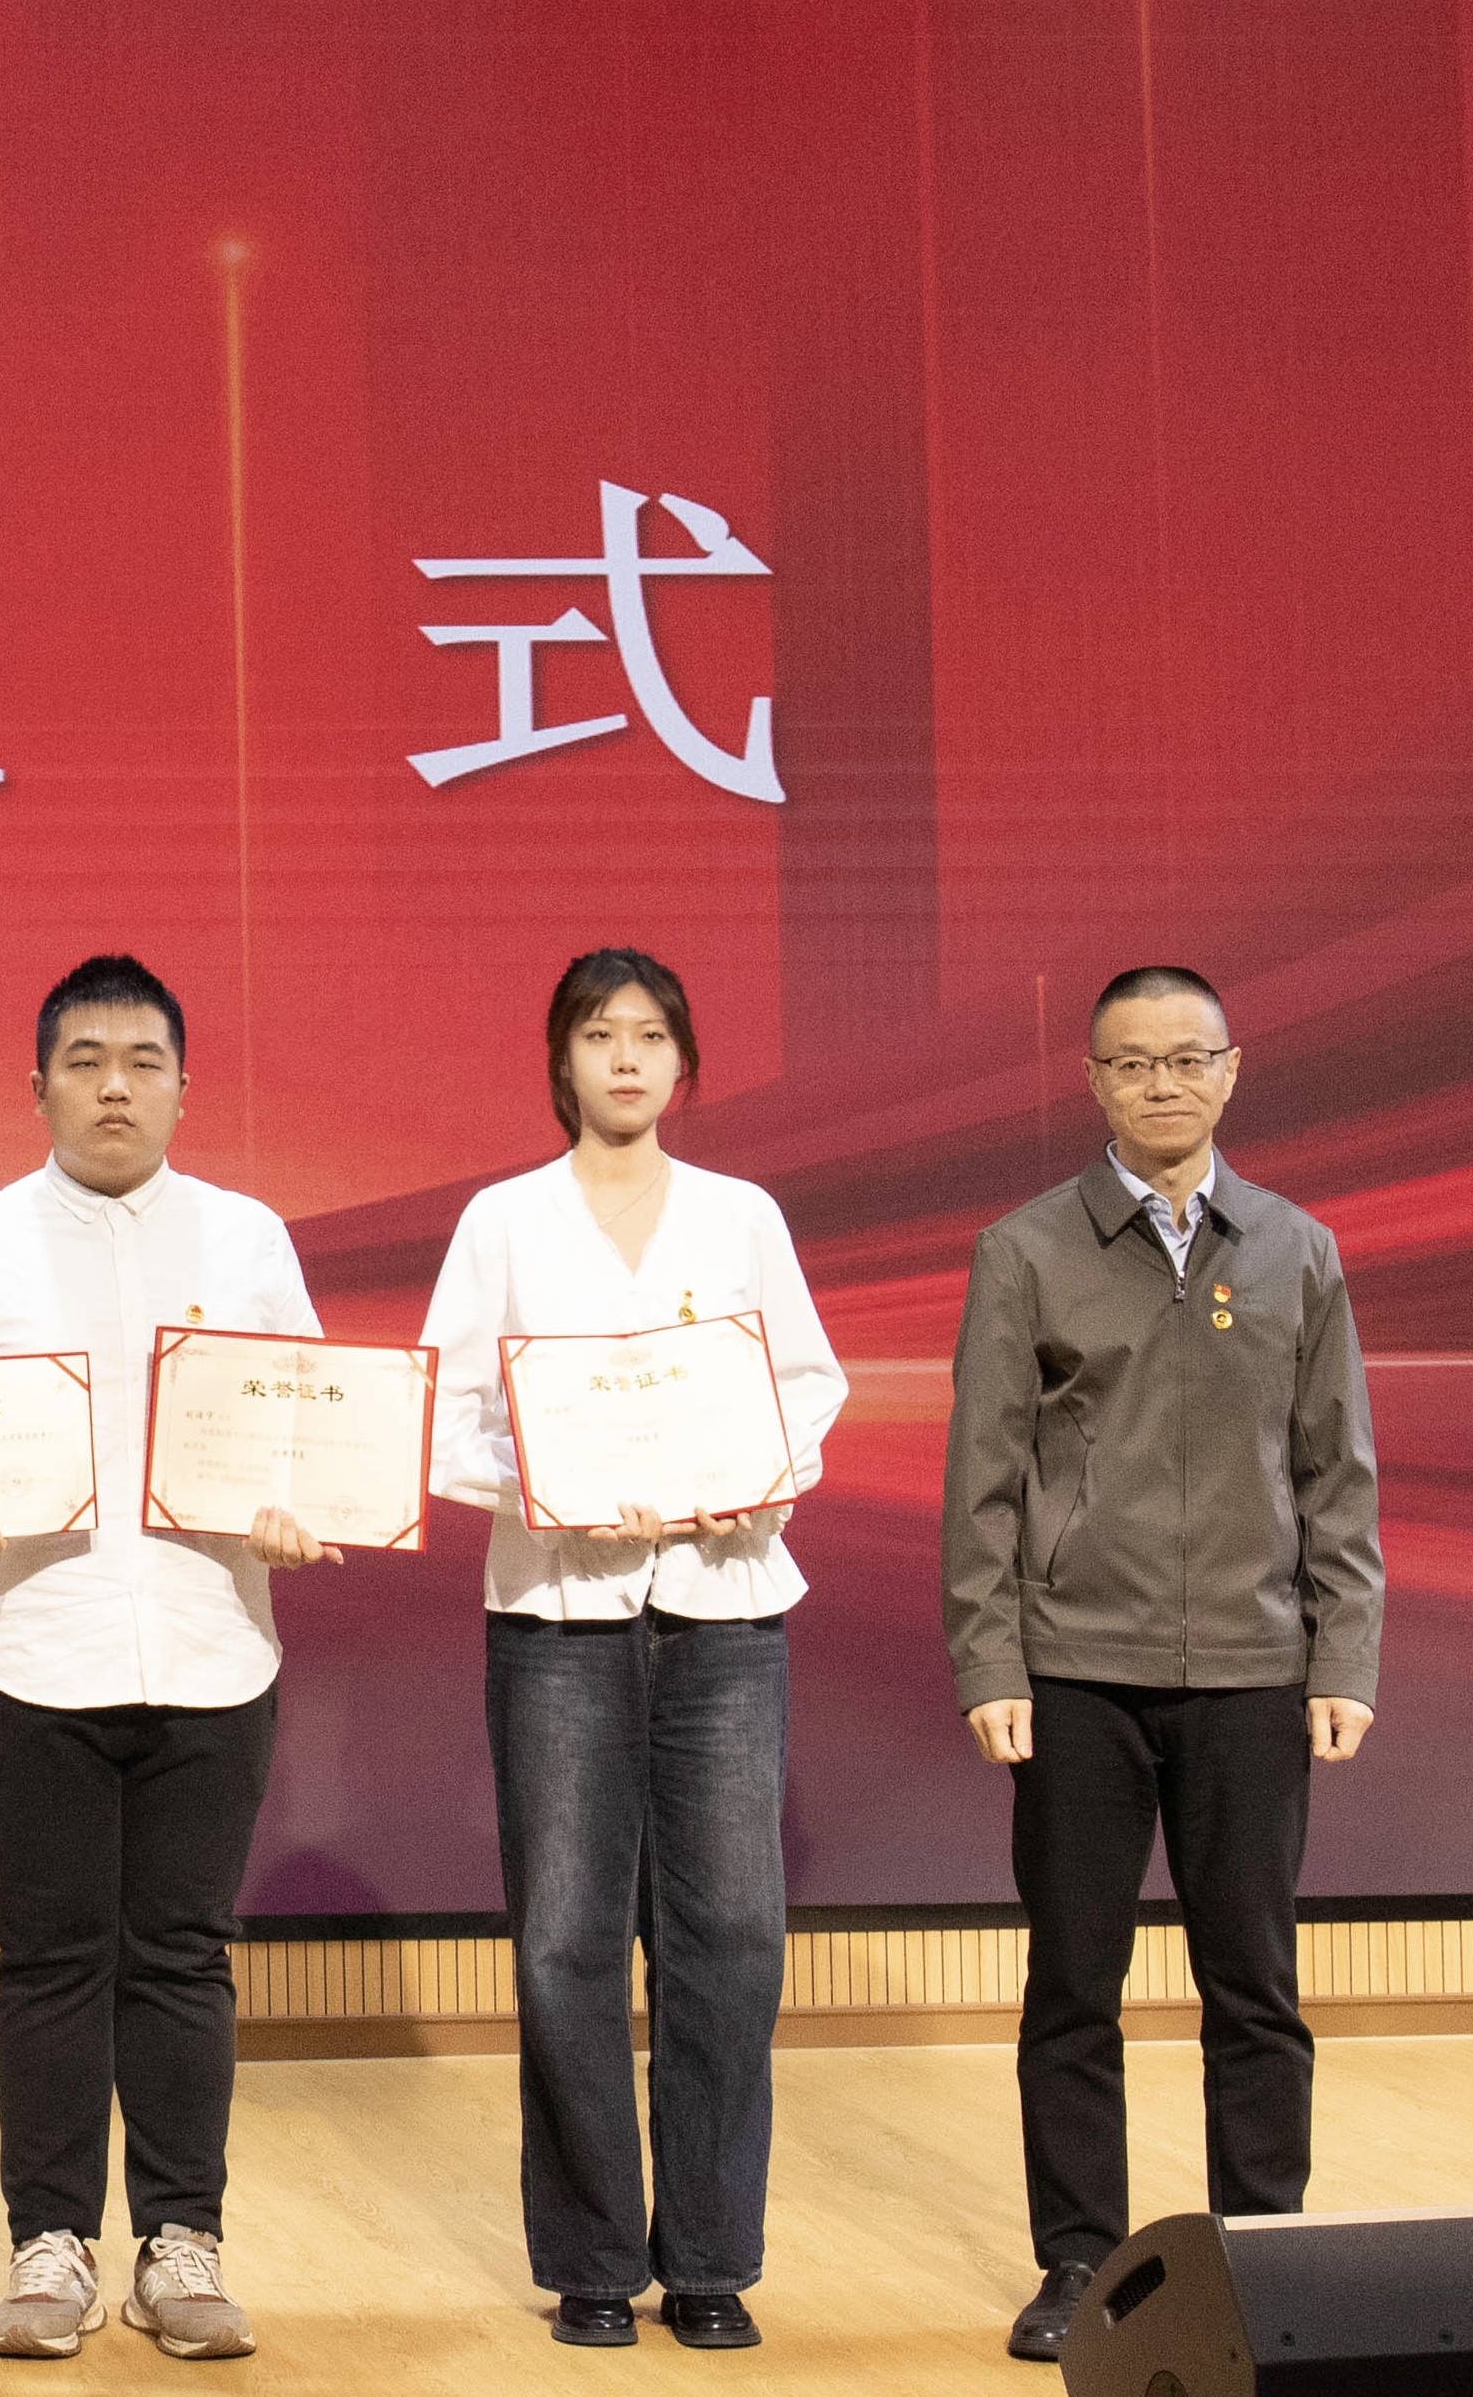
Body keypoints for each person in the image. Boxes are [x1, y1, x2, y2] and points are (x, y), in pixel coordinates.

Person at [0, 953, 339, 2364]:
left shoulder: (247, 1238)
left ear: (183, 1087)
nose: (113, 1087)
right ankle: (50, 2244)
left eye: (142, 1062)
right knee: (47, 1957)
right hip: (32, 1642)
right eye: (83, 1061)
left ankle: (180, 2244)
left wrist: (299, 1504)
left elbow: (311, 1425)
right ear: (35, 1086)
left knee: (183, 1955)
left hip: (212, 1641)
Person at [942, 967, 1383, 2362]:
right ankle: (1080, 2261)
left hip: (1254, 1669)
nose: (1162, 1084)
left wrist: (1342, 1652)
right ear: (1093, 1080)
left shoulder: (1296, 1248)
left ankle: (1266, 2257)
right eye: (1132, 1063)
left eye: (1187, 1058)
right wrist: (990, 1660)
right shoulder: (1024, 1248)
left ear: (1231, 1070)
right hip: (1075, 1670)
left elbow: (1335, 1470)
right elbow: (983, 1479)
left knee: (1252, 1983)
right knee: (1074, 1984)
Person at [422, 948, 846, 2356]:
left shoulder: (739, 1215)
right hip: (558, 1614)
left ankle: (711, 2258)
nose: (624, 1057)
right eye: (599, 1034)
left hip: (722, 1605)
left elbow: (805, 1387)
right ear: (560, 1060)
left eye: (650, 1035)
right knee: (564, 1938)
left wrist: (749, 1478)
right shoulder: (502, 1220)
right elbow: (447, 1415)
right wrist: (550, 1484)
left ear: (683, 1062)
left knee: (729, 1934)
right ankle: (593, 2257)